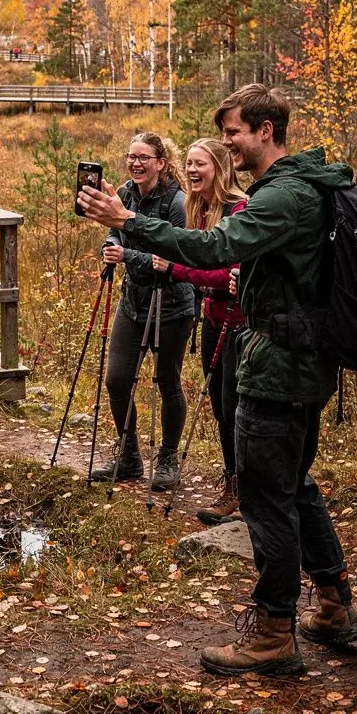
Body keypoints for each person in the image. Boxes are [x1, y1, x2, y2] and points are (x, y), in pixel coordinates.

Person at [79, 83, 357, 677]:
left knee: (265, 496)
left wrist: (129, 221)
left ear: (266, 130)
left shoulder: (285, 196)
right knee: (293, 484)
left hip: (280, 366)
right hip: (300, 361)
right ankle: (335, 603)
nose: (228, 143)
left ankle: (272, 632)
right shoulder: (304, 188)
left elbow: (215, 248)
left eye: (234, 132)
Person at [90, 132, 195, 491]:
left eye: (143, 157)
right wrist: (109, 244)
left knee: (167, 381)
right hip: (133, 300)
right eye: (130, 156)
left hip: (173, 303)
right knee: (117, 379)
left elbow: (176, 257)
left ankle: (167, 457)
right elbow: (116, 232)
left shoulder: (179, 203)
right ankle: (129, 453)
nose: (135, 163)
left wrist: (128, 256)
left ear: (161, 163)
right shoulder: (124, 193)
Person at [151, 136, 247, 524]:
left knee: (235, 408)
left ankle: (249, 488)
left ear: (219, 169)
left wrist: (176, 270)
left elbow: (226, 273)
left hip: (240, 325)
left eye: (200, 164)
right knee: (223, 412)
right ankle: (233, 484)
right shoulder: (200, 209)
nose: (191, 170)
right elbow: (208, 271)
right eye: (188, 163)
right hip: (211, 319)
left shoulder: (239, 210)